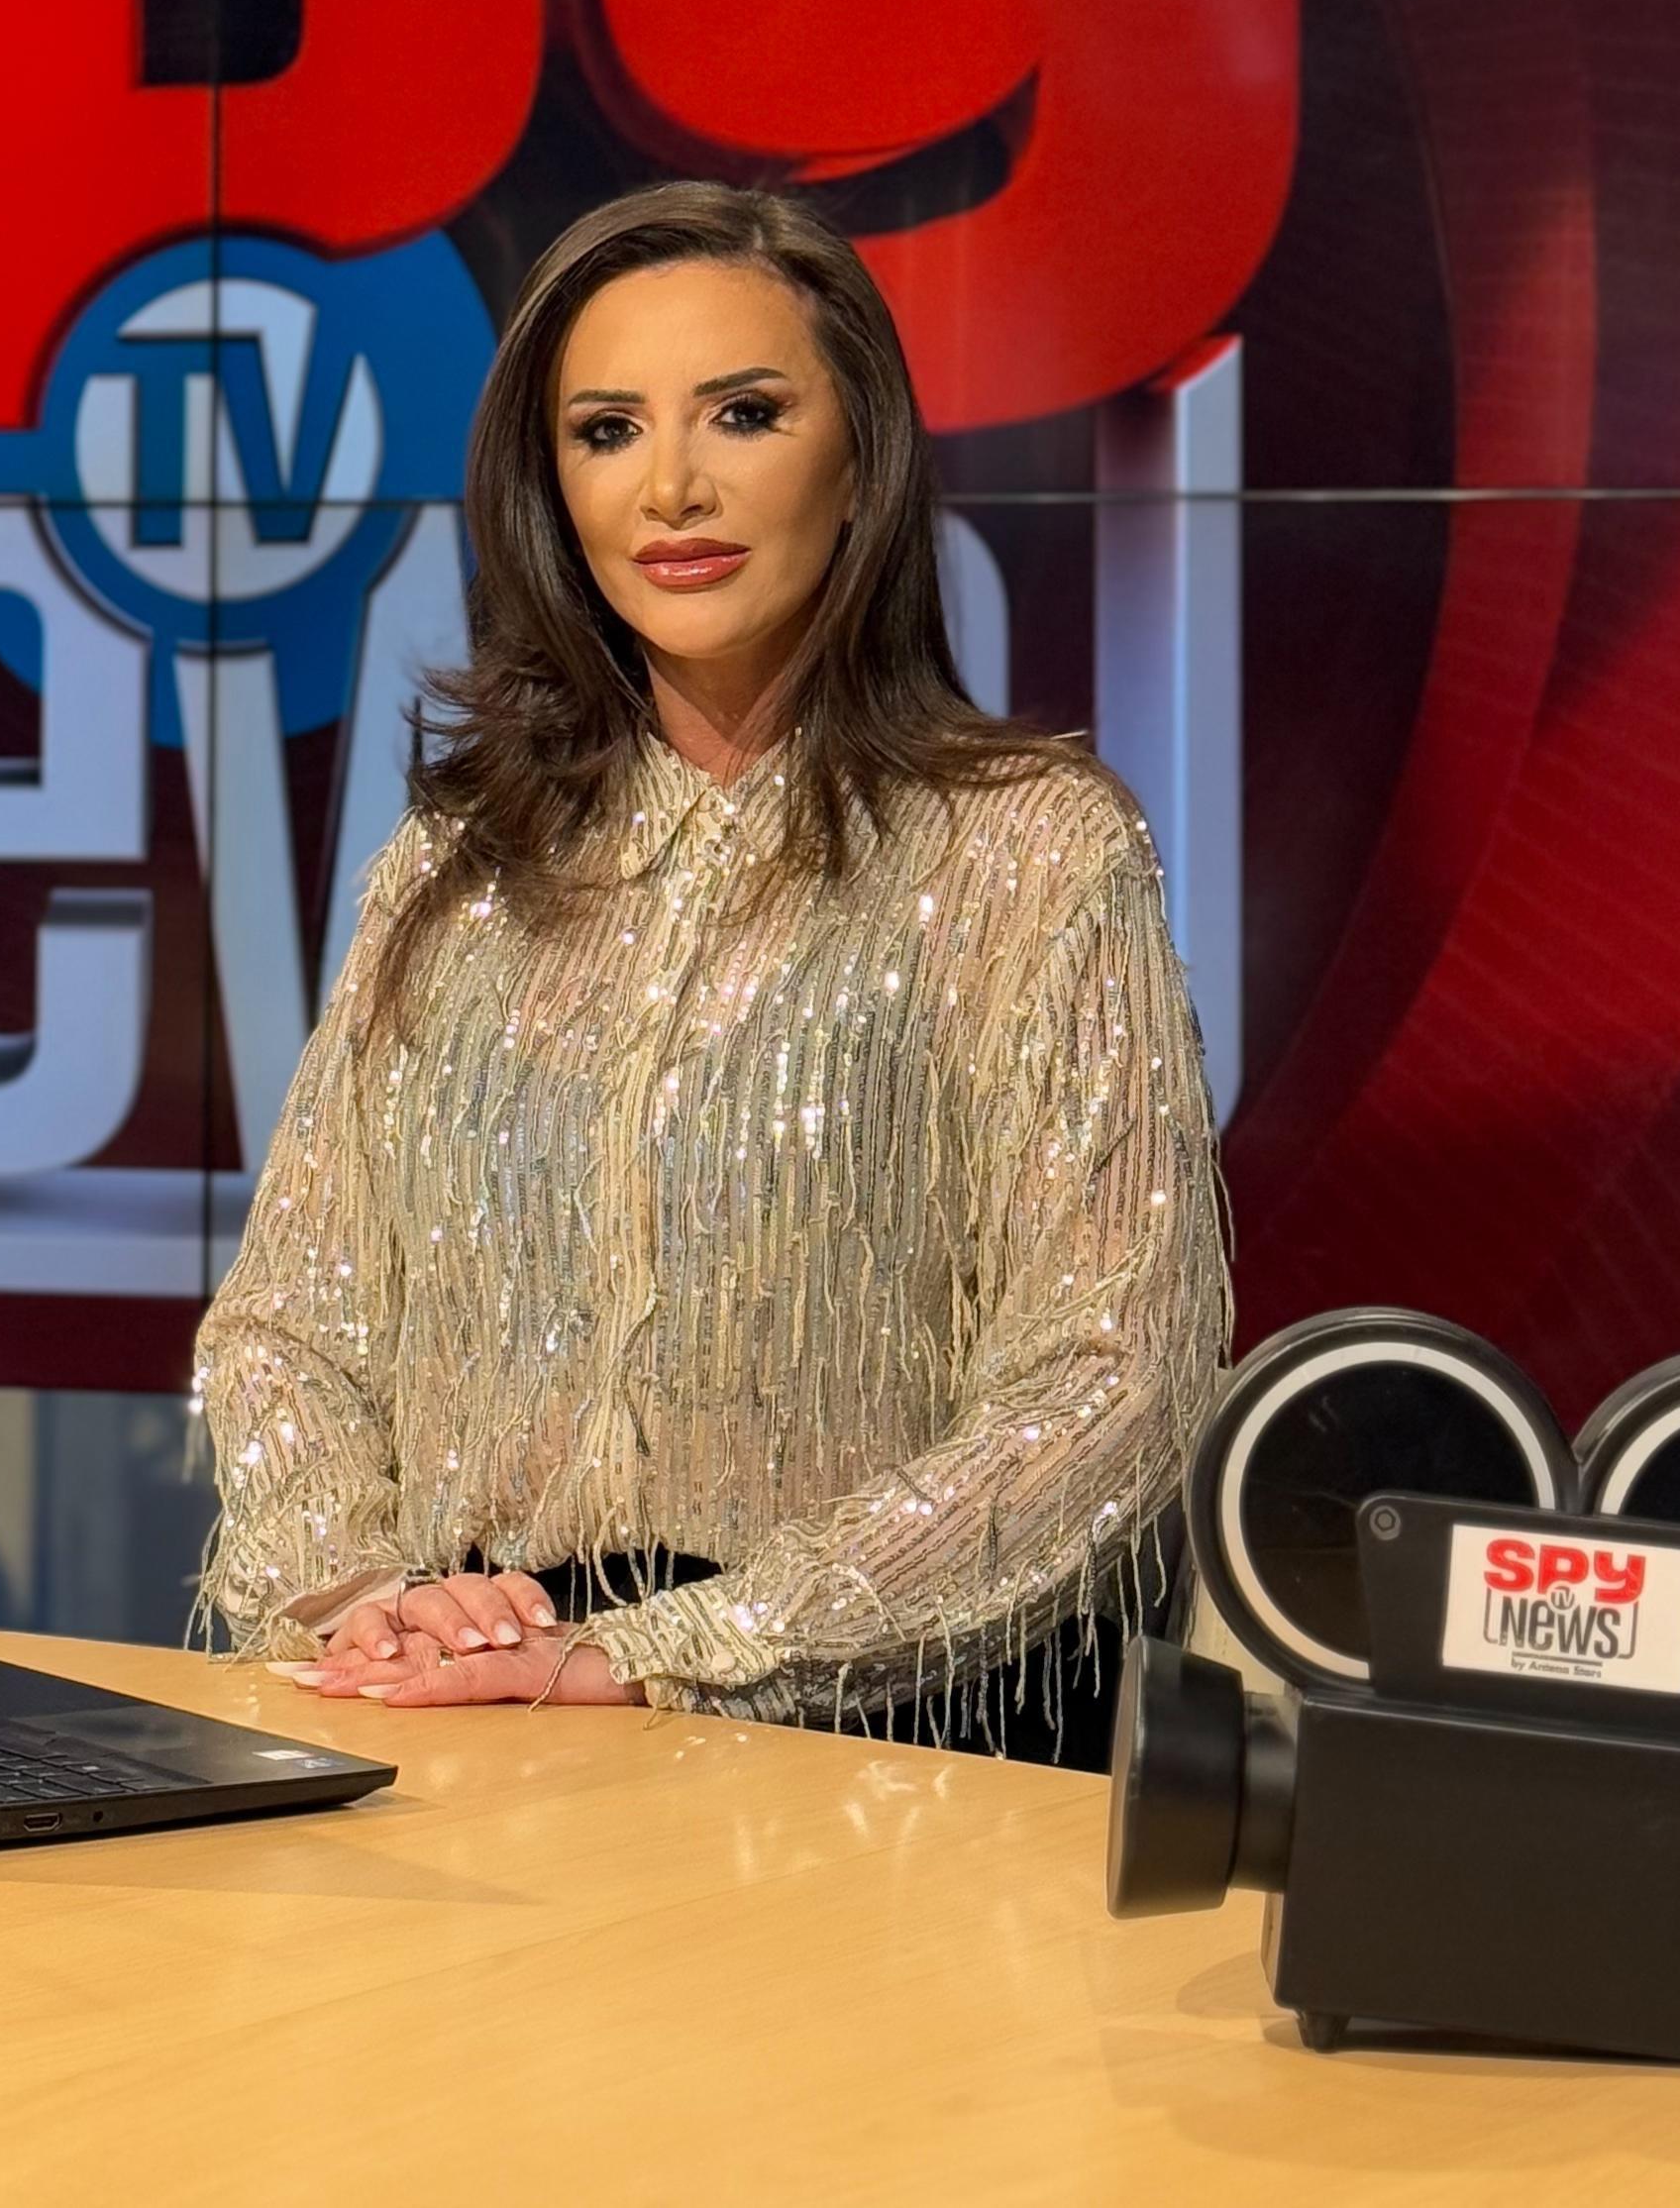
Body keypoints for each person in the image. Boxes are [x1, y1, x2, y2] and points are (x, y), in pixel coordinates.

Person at [187, 180, 1227, 1762]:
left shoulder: (1034, 850)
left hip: (882, 1748)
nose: (671, 487)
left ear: (860, 459)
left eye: (743, 413)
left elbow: (1114, 1384)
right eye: (607, 431)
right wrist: (362, 1596)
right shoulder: (455, 867)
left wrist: (674, 1649)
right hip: (487, 1716)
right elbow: (289, 1328)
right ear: (553, 490)